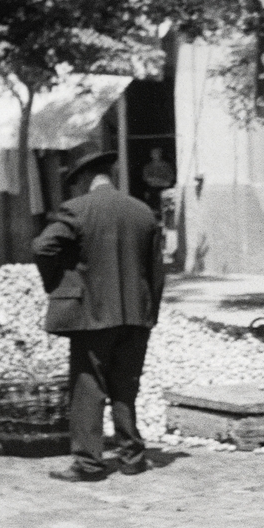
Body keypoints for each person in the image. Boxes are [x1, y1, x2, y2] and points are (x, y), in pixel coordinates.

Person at [32, 150, 165, 482]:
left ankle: (89, 464)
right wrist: (151, 312)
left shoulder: (76, 210)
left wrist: (62, 284)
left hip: (91, 314)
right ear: (110, 175)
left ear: (83, 180)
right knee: (126, 386)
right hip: (136, 315)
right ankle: (132, 457)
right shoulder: (143, 212)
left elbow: (43, 247)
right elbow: (157, 271)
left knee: (88, 387)